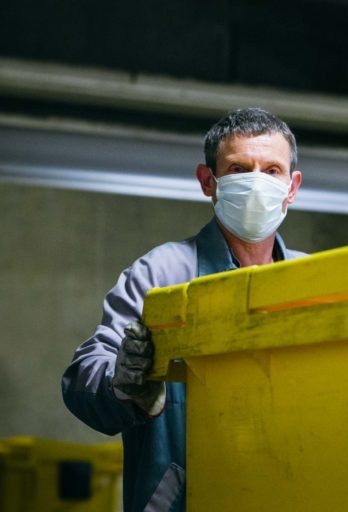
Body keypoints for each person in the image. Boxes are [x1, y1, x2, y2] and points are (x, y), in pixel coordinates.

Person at [61, 107, 305, 512]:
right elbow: (80, 379)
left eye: (272, 170)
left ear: (292, 186)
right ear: (208, 182)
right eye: (240, 169)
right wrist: (122, 384)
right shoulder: (163, 272)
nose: (258, 183)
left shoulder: (308, 278)